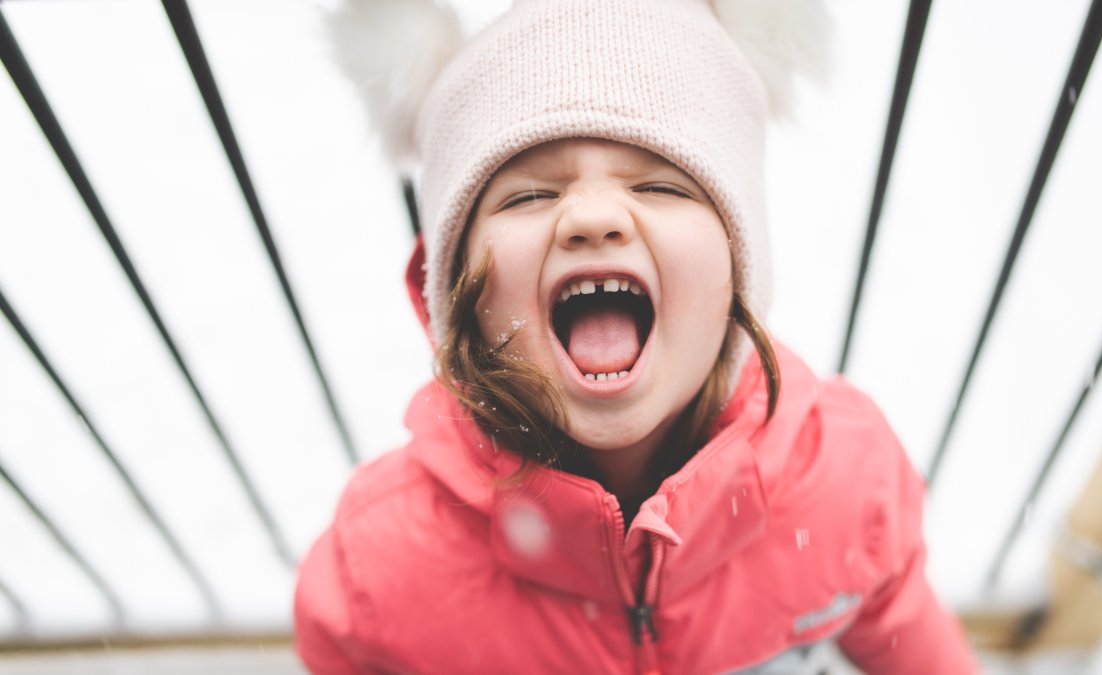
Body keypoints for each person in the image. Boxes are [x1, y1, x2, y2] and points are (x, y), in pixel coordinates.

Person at [294, 0, 978, 672]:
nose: (593, 216)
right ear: (455, 291)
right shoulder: (382, 566)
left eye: (661, 187)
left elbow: (906, 632)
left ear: (739, 266)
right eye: (530, 195)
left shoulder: (844, 483)